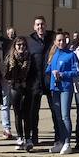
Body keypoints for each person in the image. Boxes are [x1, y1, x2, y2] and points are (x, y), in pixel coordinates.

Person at [47, 30, 79, 154]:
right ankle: (60, 141)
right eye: (58, 40)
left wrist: (63, 74)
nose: (61, 42)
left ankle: (67, 142)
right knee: (58, 116)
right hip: (55, 88)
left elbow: (76, 71)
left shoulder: (71, 55)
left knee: (65, 115)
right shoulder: (54, 54)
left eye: (63, 40)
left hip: (66, 88)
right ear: (55, 42)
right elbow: (48, 69)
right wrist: (50, 71)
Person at [4, 35, 36, 151]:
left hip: (27, 88)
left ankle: (28, 138)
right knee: (18, 114)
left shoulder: (30, 58)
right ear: (15, 46)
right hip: (15, 88)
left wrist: (28, 84)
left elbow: (34, 74)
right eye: (19, 45)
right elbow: (6, 74)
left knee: (27, 114)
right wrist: (13, 79)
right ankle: (20, 138)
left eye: (23, 45)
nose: (21, 47)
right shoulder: (10, 58)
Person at [26, 16, 54, 148]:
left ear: (46, 25)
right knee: (33, 111)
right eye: (37, 25)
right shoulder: (30, 41)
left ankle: (58, 136)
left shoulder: (52, 39)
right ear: (34, 27)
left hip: (50, 81)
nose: (40, 27)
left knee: (55, 110)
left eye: (42, 24)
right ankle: (34, 135)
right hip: (35, 81)